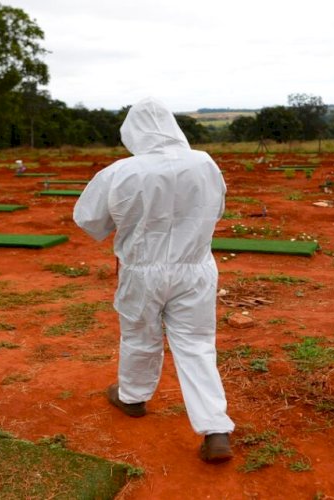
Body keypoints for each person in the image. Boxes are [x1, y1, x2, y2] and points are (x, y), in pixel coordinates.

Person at [73, 97, 235, 463]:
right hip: (194, 268)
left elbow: (89, 221)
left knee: (139, 336)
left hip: (142, 270)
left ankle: (132, 397)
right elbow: (218, 209)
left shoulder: (121, 172)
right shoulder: (205, 163)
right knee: (196, 345)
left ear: (132, 132)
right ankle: (215, 429)